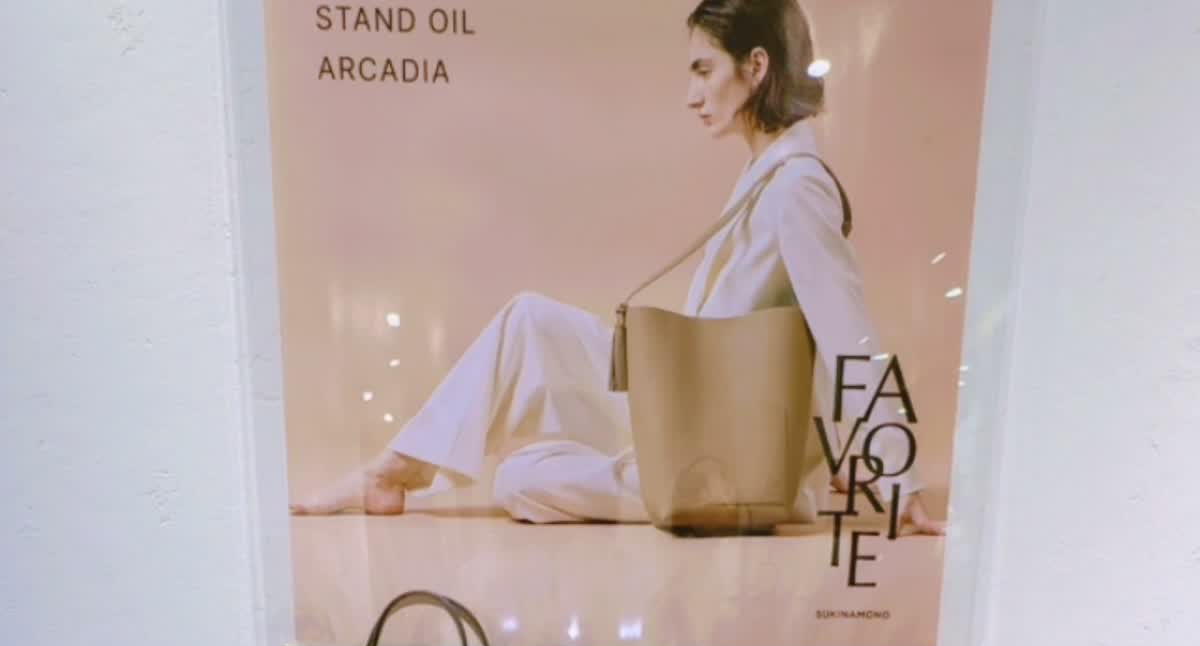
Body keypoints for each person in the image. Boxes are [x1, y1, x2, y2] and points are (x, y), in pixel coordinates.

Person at [292, 0, 943, 535]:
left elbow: (846, 334)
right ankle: (394, 471)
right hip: (695, 409)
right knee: (529, 321)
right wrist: (837, 449)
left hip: (718, 457)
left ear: (756, 66)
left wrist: (897, 476)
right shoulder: (767, 175)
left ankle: (404, 474)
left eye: (703, 70)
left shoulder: (797, 186)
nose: (691, 95)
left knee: (519, 478)